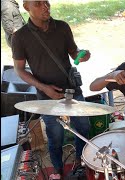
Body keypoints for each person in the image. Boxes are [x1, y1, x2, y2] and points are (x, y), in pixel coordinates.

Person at [11, 1, 91, 179]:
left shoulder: (62, 27)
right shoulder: (20, 37)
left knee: (83, 127)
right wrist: (43, 87)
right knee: (55, 135)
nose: (45, 6)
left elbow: (73, 51)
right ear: (26, 8)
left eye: (46, 2)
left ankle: (80, 161)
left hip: (71, 89)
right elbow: (19, 70)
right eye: (38, 3)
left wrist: (82, 54)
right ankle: (57, 167)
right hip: (45, 96)